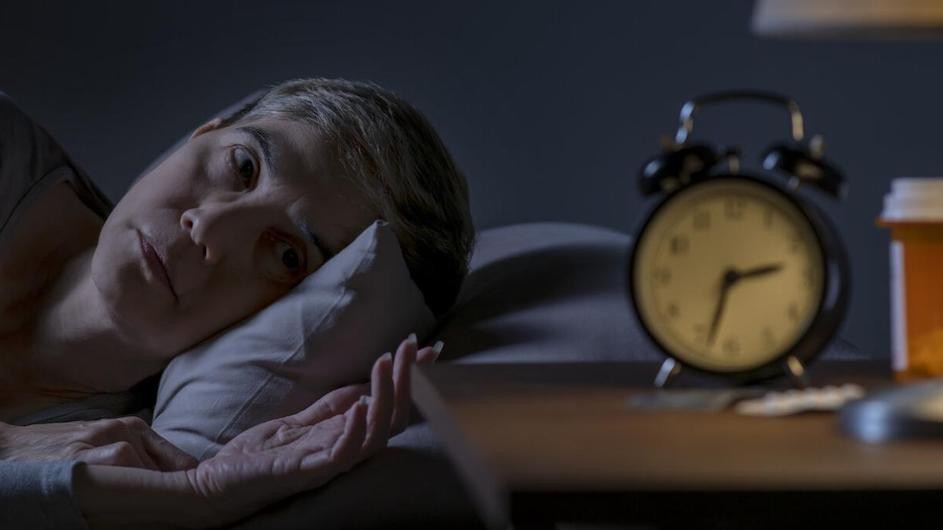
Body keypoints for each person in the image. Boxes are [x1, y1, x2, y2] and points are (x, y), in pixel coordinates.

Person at [0, 77, 474, 527]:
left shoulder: (117, 456)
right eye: (244, 166)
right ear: (205, 135)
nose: (207, 228)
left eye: (287, 255)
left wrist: (197, 497)